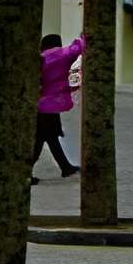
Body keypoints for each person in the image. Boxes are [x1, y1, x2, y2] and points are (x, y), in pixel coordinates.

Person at [34, 31, 86, 178]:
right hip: (53, 104)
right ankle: (26, 171)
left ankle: (65, 166)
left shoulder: (41, 58)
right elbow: (77, 47)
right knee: (43, 138)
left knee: (49, 137)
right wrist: (83, 36)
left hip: (41, 104)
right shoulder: (62, 55)